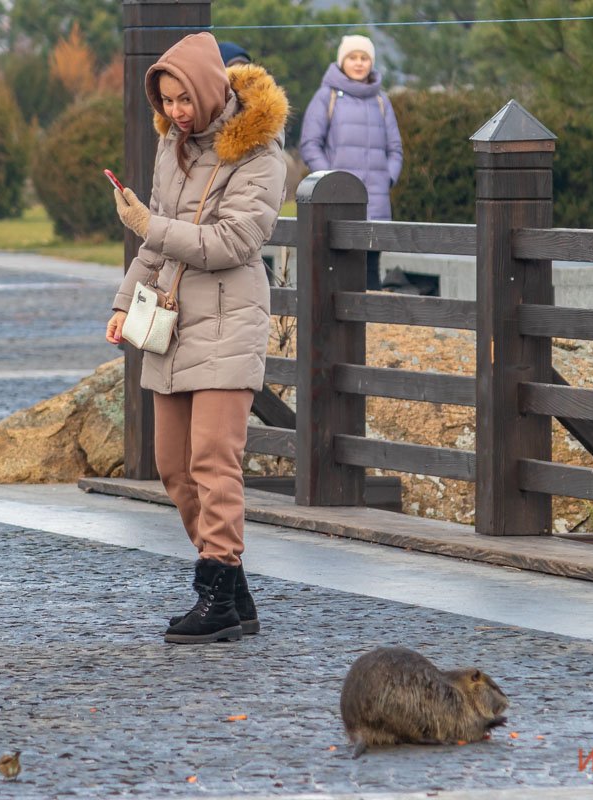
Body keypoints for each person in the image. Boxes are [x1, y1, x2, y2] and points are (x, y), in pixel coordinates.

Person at [106, 31, 288, 645]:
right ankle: (234, 592)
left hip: (228, 323)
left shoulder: (260, 154)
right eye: (165, 102)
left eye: (183, 99)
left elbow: (232, 244)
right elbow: (156, 240)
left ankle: (214, 593)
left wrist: (148, 224)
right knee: (172, 468)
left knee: (213, 463)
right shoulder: (172, 149)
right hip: (171, 324)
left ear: (210, 88)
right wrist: (123, 302)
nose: (176, 112)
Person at [299, 34, 403, 290]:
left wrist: (387, 178)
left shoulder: (382, 100)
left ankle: (373, 330)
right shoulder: (326, 97)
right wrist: (331, 181)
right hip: (337, 200)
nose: (359, 63)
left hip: (376, 201)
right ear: (342, 61)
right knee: (337, 270)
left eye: (364, 58)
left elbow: (395, 149)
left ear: (372, 62)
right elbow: (310, 144)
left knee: (370, 273)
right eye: (353, 57)